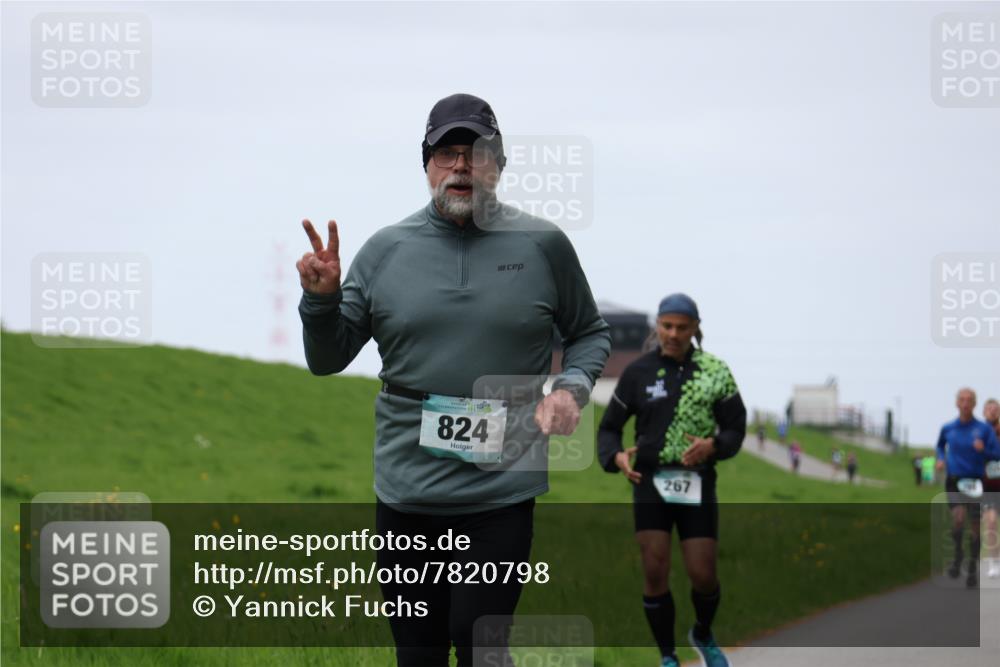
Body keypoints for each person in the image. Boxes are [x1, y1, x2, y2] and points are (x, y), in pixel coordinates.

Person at [296, 93, 611, 666]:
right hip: (407, 489)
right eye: (447, 153)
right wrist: (319, 303)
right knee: (417, 652)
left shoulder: (543, 246)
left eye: (476, 152)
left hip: (501, 488)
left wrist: (571, 389)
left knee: (478, 640)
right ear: (427, 165)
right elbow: (328, 358)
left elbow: (589, 333)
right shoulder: (385, 251)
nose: (461, 166)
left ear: (499, 165)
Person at [598, 293, 746, 667]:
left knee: (703, 573)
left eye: (682, 327)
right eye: (667, 326)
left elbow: (736, 429)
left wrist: (713, 445)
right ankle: (667, 656)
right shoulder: (638, 373)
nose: (674, 333)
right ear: (657, 327)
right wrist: (614, 456)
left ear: (696, 329)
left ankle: (703, 632)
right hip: (650, 481)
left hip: (696, 480)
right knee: (654, 567)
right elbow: (609, 429)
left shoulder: (716, 371)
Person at [935, 388, 1000, 588]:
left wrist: (985, 449)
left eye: (969, 400)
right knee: (958, 518)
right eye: (961, 400)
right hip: (954, 480)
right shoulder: (948, 428)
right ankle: (957, 556)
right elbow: (939, 446)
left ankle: (972, 566)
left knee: (973, 525)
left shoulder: (983, 429)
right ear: (956, 403)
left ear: (974, 404)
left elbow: (996, 454)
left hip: (975, 480)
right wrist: (940, 459)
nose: (965, 403)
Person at [982, 398, 1000, 578]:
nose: (993, 411)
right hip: (988, 487)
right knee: (992, 522)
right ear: (984, 412)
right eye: (989, 409)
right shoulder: (978, 432)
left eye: (996, 409)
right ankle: (994, 562)